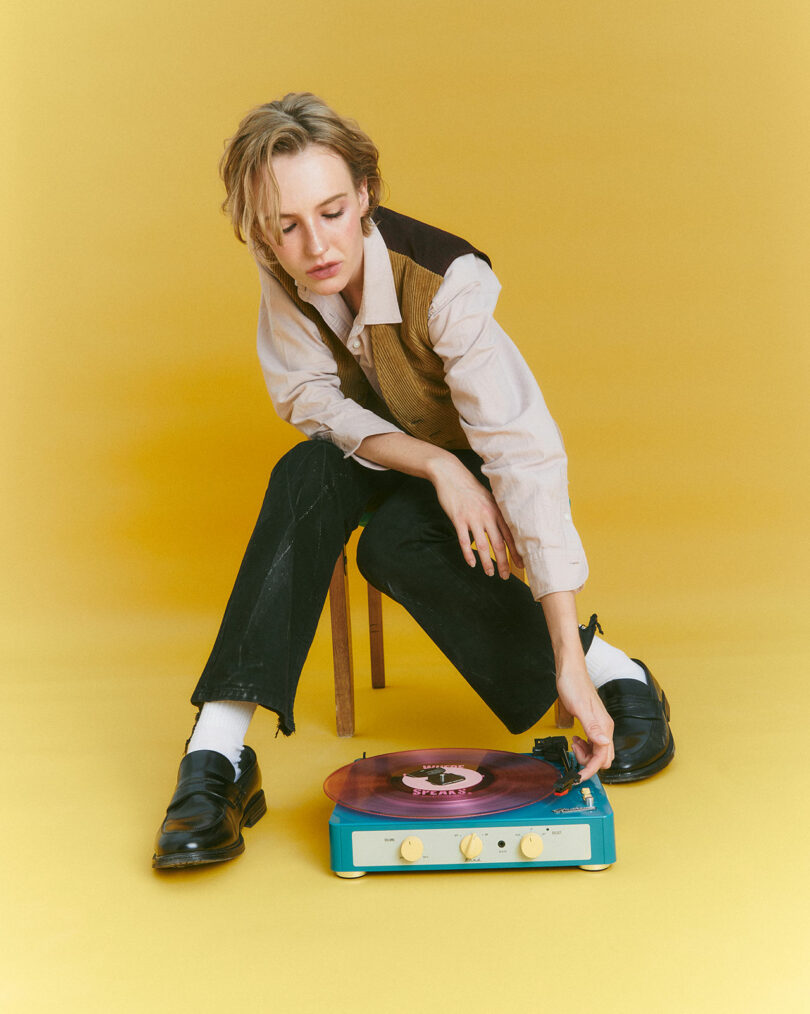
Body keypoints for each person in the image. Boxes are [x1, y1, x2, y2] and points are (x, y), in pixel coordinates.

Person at [152, 92, 674, 870]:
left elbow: (523, 453)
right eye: (284, 226)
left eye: (331, 213)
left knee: (394, 546)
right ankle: (218, 753)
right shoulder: (284, 264)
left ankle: (613, 669)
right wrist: (425, 462)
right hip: (388, 453)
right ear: (262, 231)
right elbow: (308, 398)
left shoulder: (448, 284)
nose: (314, 246)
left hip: (472, 459)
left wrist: (564, 652)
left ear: (365, 194)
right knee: (304, 473)